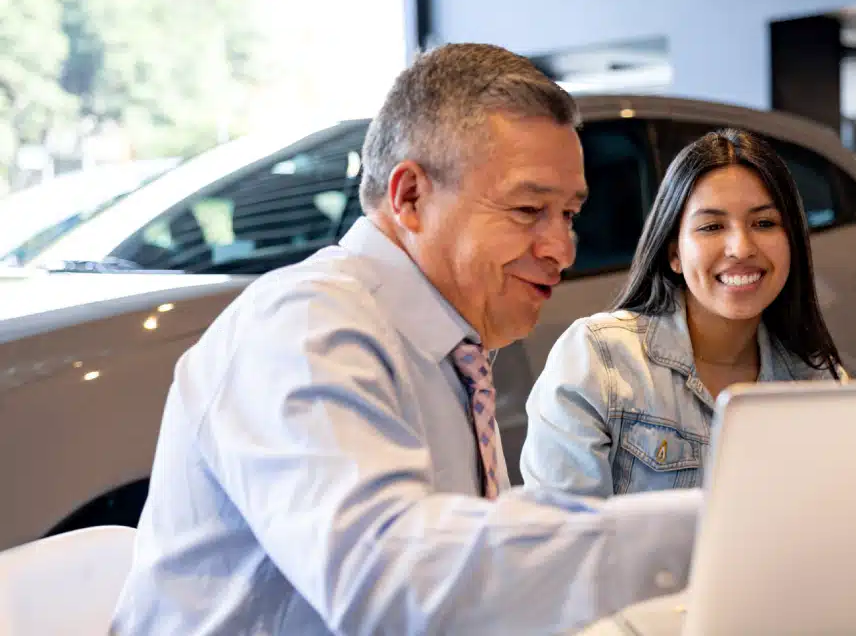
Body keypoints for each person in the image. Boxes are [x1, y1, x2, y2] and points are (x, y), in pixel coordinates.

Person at [111, 43, 700, 635]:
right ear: (409, 196)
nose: (561, 250)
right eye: (528, 209)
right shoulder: (307, 324)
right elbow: (387, 580)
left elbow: (464, 571)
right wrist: (707, 528)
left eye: (569, 215)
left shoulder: (449, 343)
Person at [519, 128, 843, 497]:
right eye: (712, 226)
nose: (740, 247)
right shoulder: (598, 361)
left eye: (764, 223)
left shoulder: (816, 382)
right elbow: (565, 539)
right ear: (674, 252)